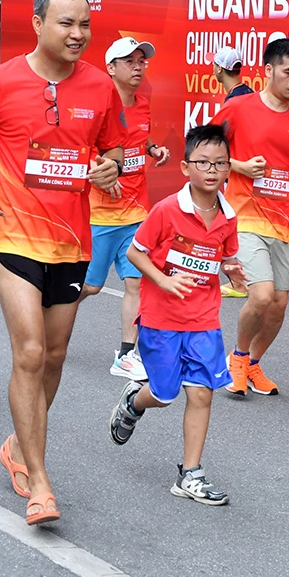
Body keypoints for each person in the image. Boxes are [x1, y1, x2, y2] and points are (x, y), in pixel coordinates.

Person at [0, 0, 125, 525]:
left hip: (73, 240)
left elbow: (113, 146)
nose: (77, 35)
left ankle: (17, 444)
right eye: (65, 24)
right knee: (29, 352)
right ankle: (41, 481)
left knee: (53, 356)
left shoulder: (101, 86)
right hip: (11, 234)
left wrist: (110, 166)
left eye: (84, 25)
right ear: (37, 22)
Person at [107, 124, 248, 504]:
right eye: (203, 162)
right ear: (186, 168)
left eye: (220, 163)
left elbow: (227, 256)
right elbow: (137, 253)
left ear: (229, 169)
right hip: (161, 318)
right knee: (165, 394)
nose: (212, 170)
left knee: (202, 393)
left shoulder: (228, 217)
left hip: (204, 319)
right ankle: (135, 402)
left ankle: (191, 474)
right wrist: (163, 281)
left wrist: (232, 270)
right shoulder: (166, 210)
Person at [218, 37, 289, 397]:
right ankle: (236, 358)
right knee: (262, 294)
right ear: (268, 71)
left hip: (286, 221)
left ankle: (252, 362)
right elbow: (205, 149)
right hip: (246, 216)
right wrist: (239, 165)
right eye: (288, 72)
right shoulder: (239, 108)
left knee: (279, 304)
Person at [78, 37, 170, 380]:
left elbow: (139, 140)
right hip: (100, 215)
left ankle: (126, 354)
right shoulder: (96, 107)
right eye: (129, 61)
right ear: (111, 68)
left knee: (137, 284)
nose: (137, 67)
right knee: (90, 287)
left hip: (137, 212)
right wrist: (100, 173)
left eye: (141, 61)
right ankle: (52, 324)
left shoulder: (143, 104)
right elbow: (81, 146)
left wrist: (154, 149)